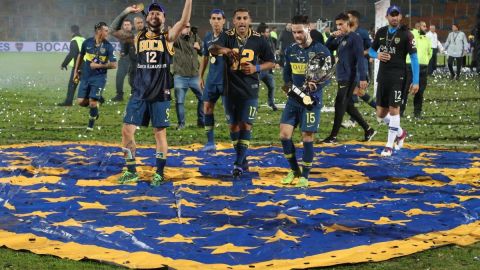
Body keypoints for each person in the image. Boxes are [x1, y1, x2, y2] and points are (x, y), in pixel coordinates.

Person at [117, 0, 192, 185]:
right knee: (127, 131)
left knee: (159, 134)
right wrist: (126, 11)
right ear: (147, 17)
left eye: (158, 13)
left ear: (164, 19)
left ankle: (159, 172)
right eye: (151, 13)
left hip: (160, 93)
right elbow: (113, 31)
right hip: (139, 93)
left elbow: (183, 21)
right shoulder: (138, 37)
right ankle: (131, 170)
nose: (154, 15)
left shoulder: (167, 37)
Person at [209, 8, 275, 177]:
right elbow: (212, 48)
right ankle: (243, 159)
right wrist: (224, 50)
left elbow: (271, 62)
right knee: (233, 126)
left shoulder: (259, 39)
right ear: (234, 21)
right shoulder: (227, 36)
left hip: (250, 89)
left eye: (245, 18)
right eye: (239, 18)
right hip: (229, 88)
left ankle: (238, 163)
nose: (242, 21)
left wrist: (256, 67)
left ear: (249, 20)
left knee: (246, 124)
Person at [280, 15, 331, 188]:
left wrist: (316, 86)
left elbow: (328, 78)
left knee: (307, 136)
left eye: (300, 31)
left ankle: (305, 176)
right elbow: (286, 74)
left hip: (312, 101)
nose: (297, 35)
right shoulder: (290, 50)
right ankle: (294, 171)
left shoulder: (321, 51)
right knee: (284, 135)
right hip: (294, 99)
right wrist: (289, 89)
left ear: (309, 28)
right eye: (294, 32)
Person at [369, 5, 419, 157]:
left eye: (397, 15)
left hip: (399, 77)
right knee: (381, 114)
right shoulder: (381, 32)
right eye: (392, 15)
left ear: (401, 17)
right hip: (383, 76)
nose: (395, 18)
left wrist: (416, 81)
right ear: (387, 17)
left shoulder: (407, 34)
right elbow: (371, 49)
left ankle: (389, 145)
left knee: (394, 109)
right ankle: (400, 132)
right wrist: (377, 55)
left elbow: (414, 58)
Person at [322, 13, 375, 144]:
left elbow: (360, 58)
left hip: (350, 77)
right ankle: (368, 130)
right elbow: (326, 48)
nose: (338, 27)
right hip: (342, 76)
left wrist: (363, 78)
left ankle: (333, 136)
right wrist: (331, 37)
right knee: (347, 106)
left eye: (341, 24)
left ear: (348, 23)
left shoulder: (355, 38)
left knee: (339, 103)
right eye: (337, 25)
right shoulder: (341, 38)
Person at [73, 22, 117, 131]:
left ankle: (90, 126)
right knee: (81, 102)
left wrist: (98, 65)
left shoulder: (108, 46)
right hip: (86, 76)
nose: (108, 33)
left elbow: (114, 65)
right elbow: (80, 55)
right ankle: (96, 105)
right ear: (99, 31)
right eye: (106, 31)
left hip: (99, 78)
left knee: (92, 103)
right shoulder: (87, 42)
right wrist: (76, 71)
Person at [342, 10, 377, 129]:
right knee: (357, 92)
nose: (346, 19)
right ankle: (378, 108)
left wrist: (361, 53)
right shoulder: (345, 32)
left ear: (355, 20)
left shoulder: (362, 33)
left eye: (348, 17)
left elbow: (371, 48)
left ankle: (353, 120)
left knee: (352, 92)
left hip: (358, 68)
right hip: (347, 68)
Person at [198, 9, 227, 152]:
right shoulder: (208, 36)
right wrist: (200, 76)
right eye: (213, 18)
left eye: (219, 18)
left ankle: (238, 140)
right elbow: (204, 58)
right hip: (211, 80)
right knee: (207, 108)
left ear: (224, 21)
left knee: (231, 112)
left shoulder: (229, 37)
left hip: (227, 80)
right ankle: (210, 142)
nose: (216, 21)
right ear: (210, 21)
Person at [172, 22, 204, 130]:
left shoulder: (195, 38)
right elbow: (170, 39)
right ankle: (181, 124)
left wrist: (199, 48)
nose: (187, 29)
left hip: (194, 76)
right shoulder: (176, 38)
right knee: (180, 101)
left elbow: (203, 53)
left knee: (202, 98)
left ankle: (201, 121)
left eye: (188, 27)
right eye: (185, 27)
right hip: (180, 76)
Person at [401, 21, 432, 119]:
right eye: (424, 26)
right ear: (418, 27)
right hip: (410, 66)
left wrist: (425, 60)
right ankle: (400, 112)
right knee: (405, 89)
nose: (426, 28)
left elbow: (430, 52)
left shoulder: (427, 38)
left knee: (420, 91)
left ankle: (417, 113)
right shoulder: (411, 35)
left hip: (423, 67)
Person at [58, 25, 85, 106]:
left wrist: (64, 64)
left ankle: (68, 102)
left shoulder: (74, 40)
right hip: (86, 67)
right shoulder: (84, 40)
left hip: (78, 68)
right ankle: (99, 99)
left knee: (72, 84)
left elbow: (72, 54)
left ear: (71, 32)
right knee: (88, 84)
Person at [257, 24, 278, 111]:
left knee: (272, 86)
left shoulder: (269, 40)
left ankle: (271, 103)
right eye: (267, 32)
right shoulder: (256, 41)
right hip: (259, 68)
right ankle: (254, 104)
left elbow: (272, 52)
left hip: (268, 69)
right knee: (255, 88)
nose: (269, 33)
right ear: (261, 33)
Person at [111, 19, 133, 102]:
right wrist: (121, 52)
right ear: (123, 26)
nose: (127, 26)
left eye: (128, 24)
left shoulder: (135, 35)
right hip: (123, 60)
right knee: (119, 78)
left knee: (133, 79)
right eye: (125, 24)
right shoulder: (121, 35)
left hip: (133, 60)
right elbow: (112, 29)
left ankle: (134, 94)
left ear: (131, 26)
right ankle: (119, 95)